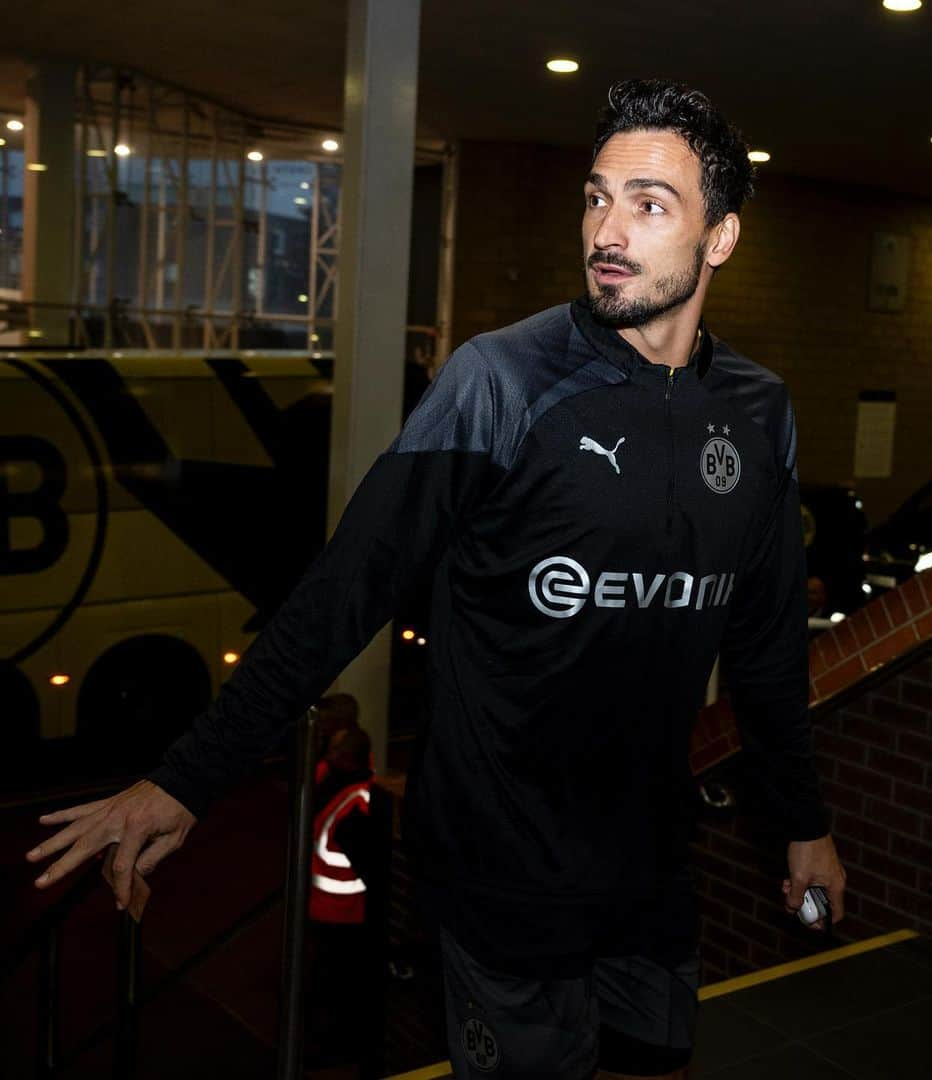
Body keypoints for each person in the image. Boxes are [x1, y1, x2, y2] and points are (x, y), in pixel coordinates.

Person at [27, 79, 846, 1079]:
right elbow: (346, 591)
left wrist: (802, 827)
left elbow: (764, 653)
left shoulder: (760, 415)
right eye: (596, 197)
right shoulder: (501, 382)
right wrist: (186, 778)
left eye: (649, 204)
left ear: (720, 237)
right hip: (501, 875)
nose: (607, 230)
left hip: (651, 869)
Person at [306, 721, 392, 1076]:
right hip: (346, 913)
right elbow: (375, 869)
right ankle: (344, 1051)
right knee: (346, 989)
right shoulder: (357, 802)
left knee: (330, 986)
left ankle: (328, 1048)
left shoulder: (331, 788)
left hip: (328, 907)